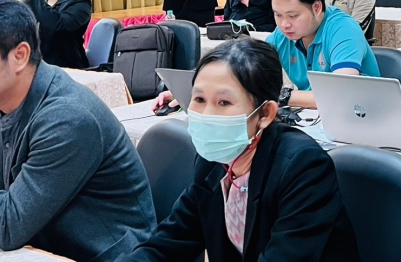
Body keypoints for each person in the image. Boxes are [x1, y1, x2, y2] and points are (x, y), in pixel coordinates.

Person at [121, 39, 359, 262]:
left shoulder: (303, 166)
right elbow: (169, 242)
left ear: (265, 114)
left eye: (224, 102)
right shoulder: (213, 162)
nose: (207, 114)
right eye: (199, 99)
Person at [0, 0, 156, 261]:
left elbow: (8, 226)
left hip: (103, 255)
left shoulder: (67, 118)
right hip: (42, 245)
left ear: (19, 56)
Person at [267, 0, 380, 109]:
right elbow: (254, 70)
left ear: (316, 8)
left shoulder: (343, 28)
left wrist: (283, 96)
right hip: (314, 114)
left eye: (293, 16)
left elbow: (340, 94)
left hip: (362, 113)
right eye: (278, 14)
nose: (284, 24)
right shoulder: (282, 34)